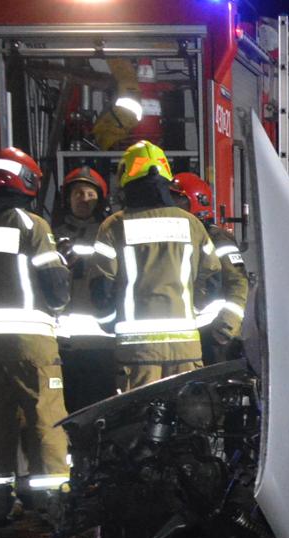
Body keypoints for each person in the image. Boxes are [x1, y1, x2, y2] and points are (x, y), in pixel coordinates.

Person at [0, 148, 72, 525]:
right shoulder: (31, 224)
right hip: (31, 342)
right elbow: (55, 286)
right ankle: (53, 503)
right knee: (46, 420)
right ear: (25, 180)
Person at [87, 140, 224, 390]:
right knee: (187, 420)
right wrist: (193, 314)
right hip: (186, 348)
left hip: (136, 352)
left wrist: (109, 324)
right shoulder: (191, 224)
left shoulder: (114, 226)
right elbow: (213, 281)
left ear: (125, 178)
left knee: (139, 422)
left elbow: (101, 287)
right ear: (165, 177)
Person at [51, 166, 118, 413]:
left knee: (102, 409)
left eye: (90, 194)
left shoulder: (109, 234)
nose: (84, 199)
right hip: (63, 344)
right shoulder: (51, 235)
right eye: (78, 193)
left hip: (101, 343)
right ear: (67, 199)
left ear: (100, 199)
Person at [171, 172, 251, 364]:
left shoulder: (217, 240)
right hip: (186, 335)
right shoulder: (175, 239)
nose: (172, 207)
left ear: (197, 202)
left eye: (178, 201)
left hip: (214, 336)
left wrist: (227, 325)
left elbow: (238, 283)